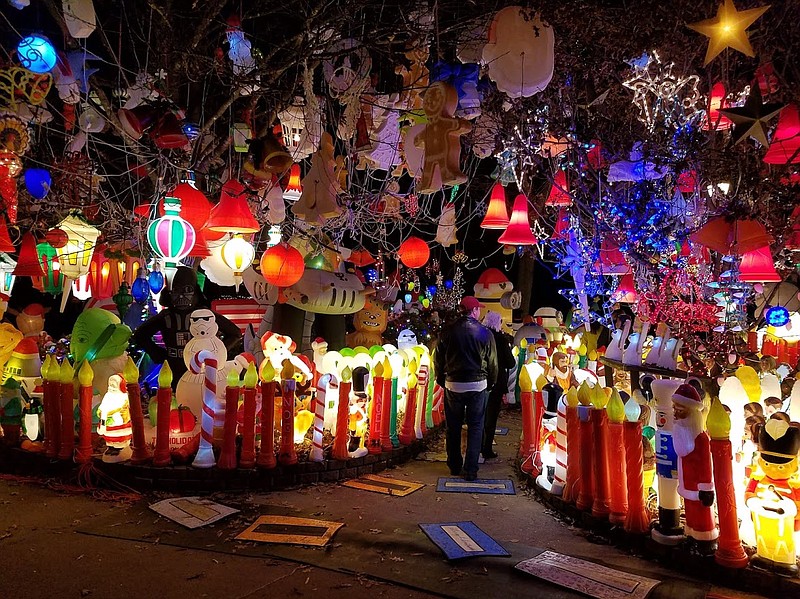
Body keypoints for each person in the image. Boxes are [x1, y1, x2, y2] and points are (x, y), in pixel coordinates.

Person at [434, 296, 497, 481]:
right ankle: (471, 469)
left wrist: (440, 378)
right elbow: (492, 363)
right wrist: (490, 383)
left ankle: (454, 465)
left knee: (452, 426)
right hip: (478, 384)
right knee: (476, 426)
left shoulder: (447, 331)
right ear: (474, 311)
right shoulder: (485, 333)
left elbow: (438, 359)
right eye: (479, 309)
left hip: (453, 384)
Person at [671, 383, 718, 552]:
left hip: (698, 486)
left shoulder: (700, 438)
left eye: (680, 410)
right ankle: (691, 535)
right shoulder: (682, 432)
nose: (675, 413)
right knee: (690, 511)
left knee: (701, 514)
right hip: (687, 484)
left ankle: (704, 539)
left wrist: (706, 488)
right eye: (674, 408)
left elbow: (706, 464)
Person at [481, 310, 514, 460]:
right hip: (496, 382)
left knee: (478, 414)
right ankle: (486, 448)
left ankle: (475, 445)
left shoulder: (479, 337)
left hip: (479, 380)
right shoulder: (500, 340)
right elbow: (510, 362)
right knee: (491, 416)